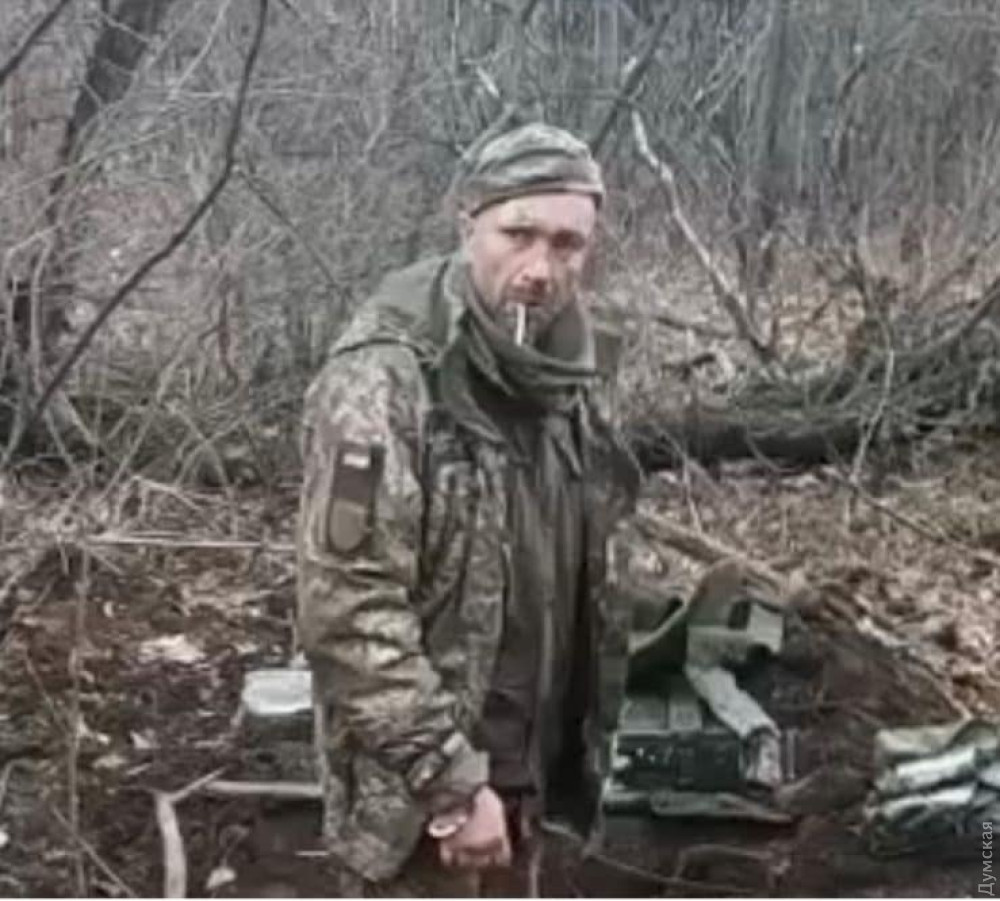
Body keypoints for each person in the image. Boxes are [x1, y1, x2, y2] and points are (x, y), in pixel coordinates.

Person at [296, 122, 642, 896]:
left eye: (567, 244)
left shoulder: (569, 375)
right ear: (468, 227)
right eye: (518, 234)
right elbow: (346, 607)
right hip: (421, 803)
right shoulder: (386, 380)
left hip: (530, 775)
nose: (540, 269)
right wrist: (449, 783)